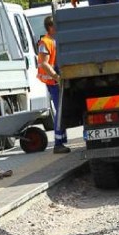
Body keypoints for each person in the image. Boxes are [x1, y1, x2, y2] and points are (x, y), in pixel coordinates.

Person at [37, 16, 70, 154]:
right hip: (53, 82)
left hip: (55, 81)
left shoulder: (54, 40)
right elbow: (44, 64)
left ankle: (61, 141)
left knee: (61, 110)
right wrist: (56, 77)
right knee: (60, 111)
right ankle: (58, 144)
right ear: (50, 27)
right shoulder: (45, 42)